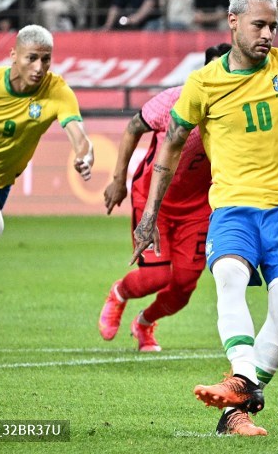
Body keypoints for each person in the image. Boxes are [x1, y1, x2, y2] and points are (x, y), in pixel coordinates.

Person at [130, 0, 278, 436]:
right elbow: (169, 148)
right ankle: (241, 387)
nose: (268, 33)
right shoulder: (203, 83)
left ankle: (238, 400)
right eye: (259, 25)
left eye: (273, 25)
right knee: (228, 279)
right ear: (233, 23)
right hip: (233, 207)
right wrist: (150, 214)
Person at [98, 43, 231, 352]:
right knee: (157, 276)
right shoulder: (174, 100)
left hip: (197, 207)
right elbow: (133, 127)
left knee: (184, 287)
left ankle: (144, 323)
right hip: (153, 197)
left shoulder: (235, 112)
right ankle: (119, 293)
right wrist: (118, 180)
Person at [0, 24, 94, 308]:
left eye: (46, 59)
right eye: (31, 57)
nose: (39, 67)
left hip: (0, 182)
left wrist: (86, 156)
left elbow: (79, 135)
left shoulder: (56, 91)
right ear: (13, 56)